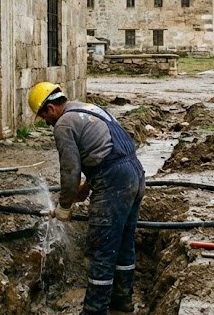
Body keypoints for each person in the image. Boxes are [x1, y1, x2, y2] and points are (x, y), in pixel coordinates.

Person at [28, 82, 146, 314]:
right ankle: (122, 301)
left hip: (114, 182)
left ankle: (94, 309)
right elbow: (108, 151)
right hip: (135, 174)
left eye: (44, 117)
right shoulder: (87, 108)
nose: (46, 122)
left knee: (101, 250)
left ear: (50, 108)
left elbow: (69, 172)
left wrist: (64, 206)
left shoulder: (63, 124)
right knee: (123, 244)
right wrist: (86, 189)